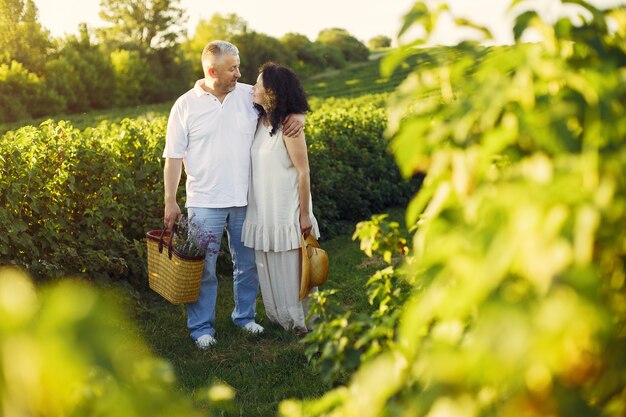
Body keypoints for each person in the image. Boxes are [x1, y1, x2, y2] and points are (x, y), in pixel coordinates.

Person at [162, 41, 305, 350]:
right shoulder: (185, 105)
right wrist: (170, 201)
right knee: (205, 269)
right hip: (203, 201)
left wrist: (298, 117)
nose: (239, 73)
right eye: (232, 68)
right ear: (212, 71)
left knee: (248, 263)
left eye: (239, 66)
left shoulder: (246, 96)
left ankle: (245, 317)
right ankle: (201, 328)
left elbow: (281, 105)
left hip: (246, 199)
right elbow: (173, 157)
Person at [242, 62, 320, 335]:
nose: (253, 87)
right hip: (263, 208)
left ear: (272, 91)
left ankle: (300, 321)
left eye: (259, 84)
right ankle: (279, 317)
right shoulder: (259, 122)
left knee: (291, 267)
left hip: (286, 206)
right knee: (269, 263)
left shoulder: (290, 127)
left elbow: (303, 171)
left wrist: (304, 214)